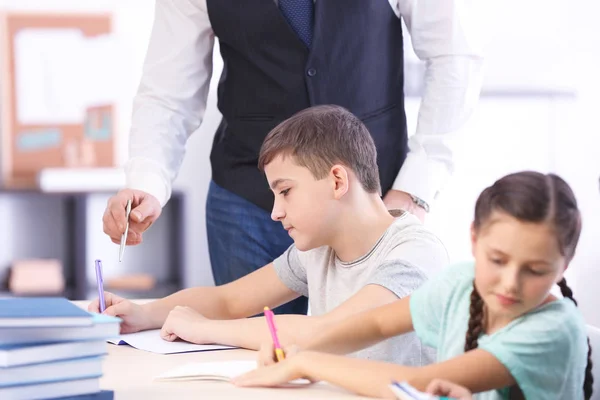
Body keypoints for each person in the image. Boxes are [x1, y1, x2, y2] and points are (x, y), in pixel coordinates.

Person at [100, 0, 484, 315]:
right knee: (254, 364)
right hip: (248, 198)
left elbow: (454, 57)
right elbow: (167, 91)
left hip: (371, 200)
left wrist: (415, 188)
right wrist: (147, 181)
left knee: (360, 353)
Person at [90, 105, 448, 367]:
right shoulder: (320, 250)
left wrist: (206, 329)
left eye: (286, 191)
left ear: (338, 181)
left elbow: (328, 330)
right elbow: (230, 301)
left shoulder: (414, 252)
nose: (275, 212)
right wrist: (144, 313)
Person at [233, 171, 594, 400]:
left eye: (535, 270)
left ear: (565, 265)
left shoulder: (554, 329)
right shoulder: (461, 284)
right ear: (473, 238)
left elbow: (420, 383)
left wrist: (307, 363)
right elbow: (377, 323)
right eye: (497, 260)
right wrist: (297, 352)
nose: (511, 283)